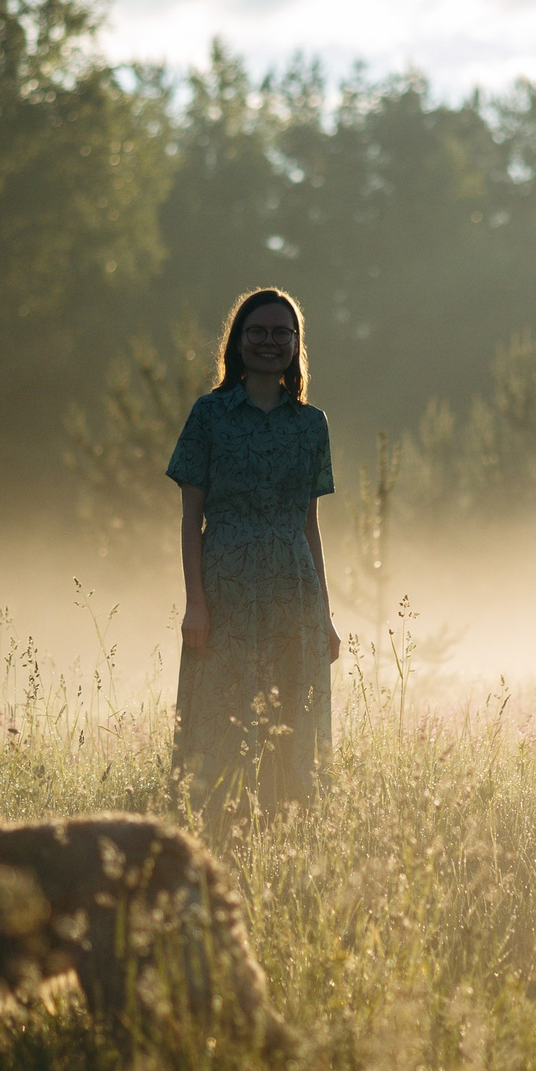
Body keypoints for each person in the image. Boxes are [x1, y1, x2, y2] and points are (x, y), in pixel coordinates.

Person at [165, 287, 340, 818]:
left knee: (293, 714)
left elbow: (309, 525)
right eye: (257, 332)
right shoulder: (210, 414)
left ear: (295, 344)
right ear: (238, 342)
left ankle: (289, 827)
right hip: (226, 591)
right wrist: (196, 604)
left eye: (281, 333)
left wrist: (325, 615)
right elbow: (190, 519)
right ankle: (214, 823)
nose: (269, 342)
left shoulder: (311, 424)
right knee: (221, 712)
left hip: (294, 590)